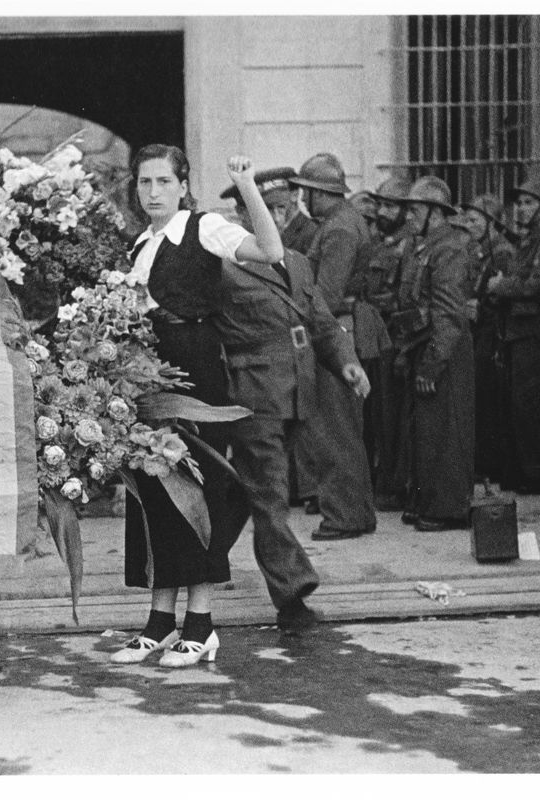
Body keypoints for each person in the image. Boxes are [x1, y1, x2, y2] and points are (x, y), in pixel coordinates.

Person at [112, 146, 283, 667]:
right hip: (149, 372)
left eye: (164, 181)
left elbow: (271, 251)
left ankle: (201, 623)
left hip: (196, 370)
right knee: (155, 489)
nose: (154, 192)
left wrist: (247, 186)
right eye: (145, 183)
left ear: (183, 185)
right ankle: (161, 621)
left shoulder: (203, 229)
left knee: (197, 487)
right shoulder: (140, 245)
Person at [216, 167, 370, 634]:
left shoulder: (299, 261)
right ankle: (293, 594)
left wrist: (346, 361)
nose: (276, 218)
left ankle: (198, 560)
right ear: (242, 215)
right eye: (265, 209)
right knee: (269, 493)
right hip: (253, 393)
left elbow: (321, 320)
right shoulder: (223, 263)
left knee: (252, 492)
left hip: (298, 390)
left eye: (282, 208)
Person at [286, 154, 379, 534]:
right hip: (338, 330)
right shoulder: (340, 223)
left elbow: (325, 293)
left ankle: (346, 516)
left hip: (334, 334)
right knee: (339, 427)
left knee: (335, 429)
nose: (303, 198)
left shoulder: (339, 229)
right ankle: (352, 512)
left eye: (307, 191)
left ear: (320, 192)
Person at [394, 177, 476, 531]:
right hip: (422, 345)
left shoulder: (450, 249)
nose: (408, 217)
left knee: (447, 429)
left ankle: (448, 508)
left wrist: (433, 364)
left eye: (415, 210)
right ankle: (426, 500)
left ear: (436, 213)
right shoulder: (423, 246)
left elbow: (448, 313)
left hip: (444, 349)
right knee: (425, 431)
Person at [487, 178, 540, 494]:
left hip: (535, 334)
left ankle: (539, 474)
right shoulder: (528, 242)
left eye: (529, 203)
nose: (521, 210)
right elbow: (520, 281)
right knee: (517, 408)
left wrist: (501, 287)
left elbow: (536, 286)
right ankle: (525, 472)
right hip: (518, 332)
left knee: (531, 408)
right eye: (519, 203)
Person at [359, 176, 414, 510]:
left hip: (395, 336)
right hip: (377, 337)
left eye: (391, 205)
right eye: (380, 204)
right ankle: (384, 480)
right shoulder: (379, 241)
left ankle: (394, 486)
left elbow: (406, 297)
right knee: (378, 416)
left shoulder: (409, 245)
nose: (382, 211)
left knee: (393, 418)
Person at [455, 195, 515, 485]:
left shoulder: (502, 253)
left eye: (475, 220)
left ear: (492, 223)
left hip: (493, 334)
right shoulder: (480, 252)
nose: (469, 225)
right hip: (480, 332)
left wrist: (482, 305)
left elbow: (501, 295)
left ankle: (491, 464)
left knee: (489, 401)